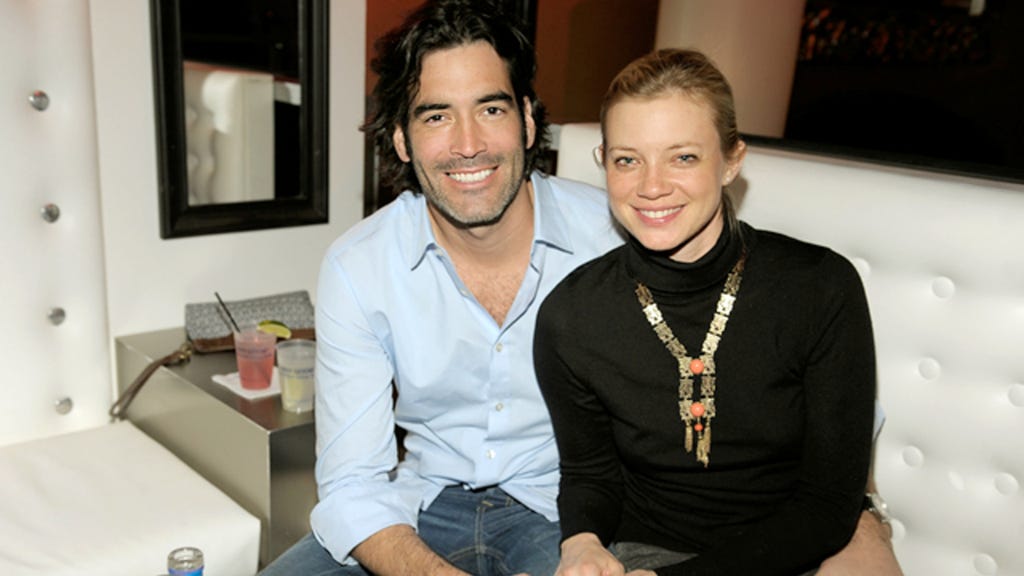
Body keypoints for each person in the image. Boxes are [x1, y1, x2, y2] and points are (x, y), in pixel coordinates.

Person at [261, 2, 901, 574]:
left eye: (491, 109)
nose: (468, 144)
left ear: (527, 123)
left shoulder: (628, 230)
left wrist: (862, 521)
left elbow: (812, 395)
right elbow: (352, 483)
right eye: (436, 116)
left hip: (558, 516)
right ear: (402, 139)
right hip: (423, 505)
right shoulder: (360, 266)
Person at [534, 49, 883, 575]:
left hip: (797, 549)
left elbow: (828, 504)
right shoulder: (572, 316)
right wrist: (581, 543)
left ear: (732, 160)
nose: (651, 186)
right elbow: (590, 474)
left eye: (683, 157)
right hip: (649, 550)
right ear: (603, 161)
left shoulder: (819, 289)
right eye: (627, 160)